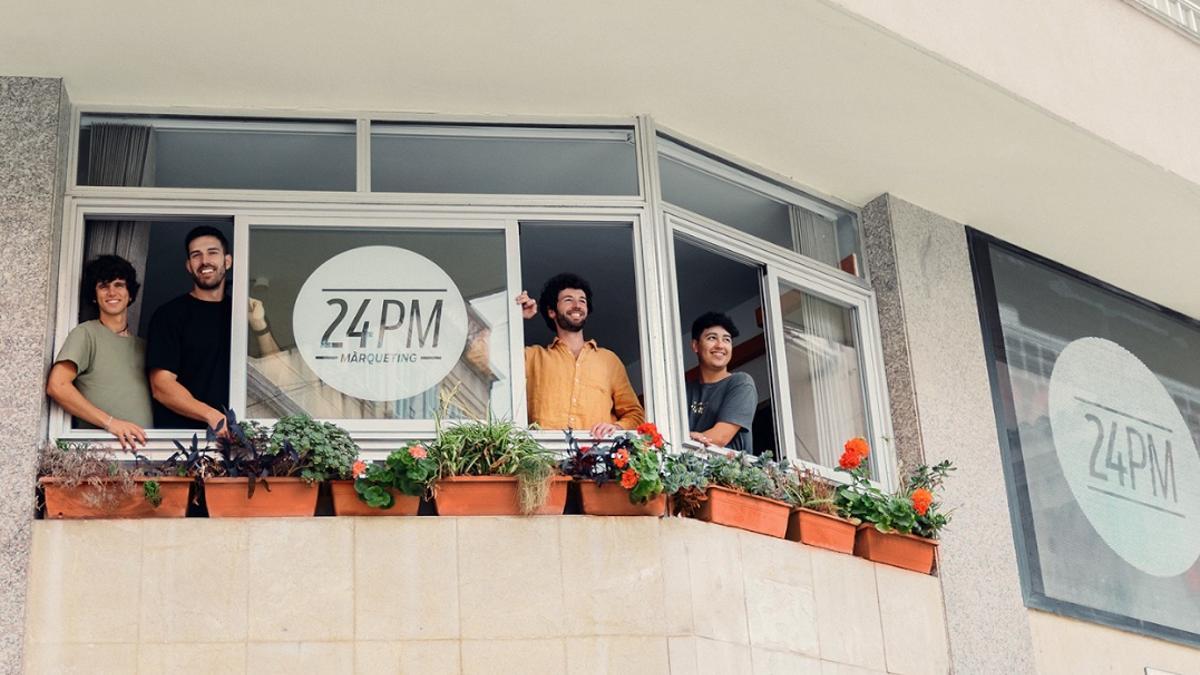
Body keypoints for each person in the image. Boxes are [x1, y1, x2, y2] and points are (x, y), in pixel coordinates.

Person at [516, 273, 644, 438]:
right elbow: (481, 359)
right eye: (568, 299)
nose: (577, 305)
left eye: (582, 300)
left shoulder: (609, 360)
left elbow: (636, 414)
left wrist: (617, 428)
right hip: (546, 460)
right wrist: (514, 317)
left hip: (597, 461)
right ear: (551, 311)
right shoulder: (532, 358)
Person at [46, 255, 152, 449]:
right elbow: (57, 385)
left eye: (119, 285)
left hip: (149, 452)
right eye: (103, 286)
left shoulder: (143, 346)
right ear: (94, 295)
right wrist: (111, 423)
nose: (112, 292)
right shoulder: (86, 334)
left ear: (130, 293)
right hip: (101, 453)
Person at [146, 226, 233, 430]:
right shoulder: (169, 315)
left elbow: (274, 367)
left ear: (227, 261)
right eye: (196, 255)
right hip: (181, 444)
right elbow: (161, 386)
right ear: (188, 265)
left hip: (240, 444)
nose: (204, 261)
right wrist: (212, 416)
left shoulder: (240, 313)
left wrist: (261, 327)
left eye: (212, 252)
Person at [686, 311, 757, 452]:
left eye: (726, 340)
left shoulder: (741, 383)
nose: (720, 345)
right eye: (712, 338)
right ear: (695, 346)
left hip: (727, 473)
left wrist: (685, 440)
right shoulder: (685, 391)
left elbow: (720, 437)